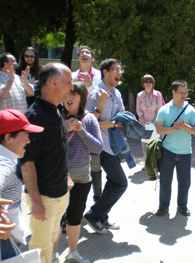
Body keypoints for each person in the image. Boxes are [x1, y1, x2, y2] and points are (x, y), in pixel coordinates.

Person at [19, 63, 74, 263]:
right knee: (40, 248)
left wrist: (66, 176)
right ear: (53, 82)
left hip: (60, 192)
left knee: (51, 240)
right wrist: (35, 202)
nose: (71, 87)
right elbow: (26, 162)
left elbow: (58, 148)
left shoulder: (56, 110)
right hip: (44, 198)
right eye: (68, 82)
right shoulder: (35, 116)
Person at [52, 81, 103, 263]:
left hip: (81, 178)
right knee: (56, 219)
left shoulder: (89, 119)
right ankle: (53, 255)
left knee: (74, 218)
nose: (69, 97)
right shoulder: (56, 116)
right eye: (67, 93)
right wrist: (64, 128)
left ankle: (73, 253)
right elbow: (47, 145)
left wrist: (81, 131)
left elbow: (97, 148)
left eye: (74, 94)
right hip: (58, 178)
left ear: (82, 98)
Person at [84, 58, 127, 234]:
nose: (119, 72)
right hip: (100, 146)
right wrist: (107, 120)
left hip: (114, 144)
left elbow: (124, 120)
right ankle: (94, 215)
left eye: (120, 69)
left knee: (112, 181)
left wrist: (111, 123)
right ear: (105, 72)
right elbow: (87, 119)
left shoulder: (117, 93)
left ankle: (102, 217)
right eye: (115, 69)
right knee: (121, 183)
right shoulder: (96, 93)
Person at [0, 109, 43, 260]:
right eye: (25, 135)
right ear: (7, 137)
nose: (28, 140)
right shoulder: (4, 162)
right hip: (5, 242)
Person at [155, 80, 195, 217]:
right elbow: (159, 129)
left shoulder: (191, 110)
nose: (184, 95)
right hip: (167, 151)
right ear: (173, 92)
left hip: (185, 152)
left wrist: (184, 127)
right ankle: (163, 207)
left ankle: (182, 206)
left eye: (185, 92)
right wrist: (175, 128)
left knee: (184, 182)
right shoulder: (164, 109)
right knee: (165, 181)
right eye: (181, 92)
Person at [72, 46, 102, 203]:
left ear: (92, 58)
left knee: (96, 165)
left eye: (87, 53)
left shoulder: (99, 76)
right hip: (75, 122)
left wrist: (90, 86)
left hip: (93, 121)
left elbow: (102, 98)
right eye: (81, 53)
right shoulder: (71, 76)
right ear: (78, 58)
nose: (84, 55)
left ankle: (97, 200)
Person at [136, 74, 163, 162]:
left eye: (150, 82)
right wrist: (143, 122)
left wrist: (153, 122)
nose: (148, 84)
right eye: (146, 82)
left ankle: (156, 163)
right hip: (144, 123)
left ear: (153, 83)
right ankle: (147, 163)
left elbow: (159, 109)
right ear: (143, 83)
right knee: (145, 143)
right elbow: (139, 110)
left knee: (155, 143)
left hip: (155, 123)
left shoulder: (157, 94)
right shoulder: (139, 95)